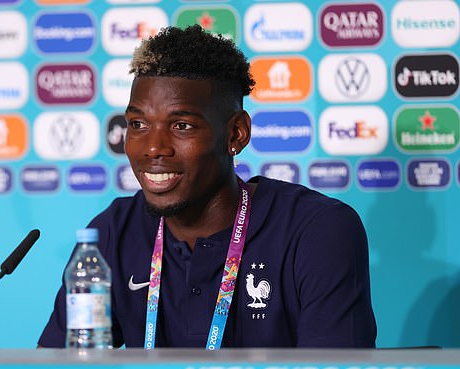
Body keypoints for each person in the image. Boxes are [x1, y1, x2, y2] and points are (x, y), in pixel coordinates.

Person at [39, 25, 377, 348]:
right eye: (138, 124)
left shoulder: (316, 231)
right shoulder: (114, 232)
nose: (153, 147)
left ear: (236, 134)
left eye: (182, 125)